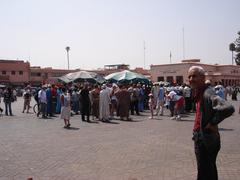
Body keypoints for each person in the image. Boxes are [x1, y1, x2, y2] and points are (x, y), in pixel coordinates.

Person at [188, 66, 235, 180]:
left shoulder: (207, 93)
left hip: (205, 138)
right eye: (189, 76)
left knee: (204, 171)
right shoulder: (200, 93)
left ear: (203, 78)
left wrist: (213, 123)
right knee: (209, 170)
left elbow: (228, 107)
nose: (191, 79)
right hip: (203, 136)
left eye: (194, 76)